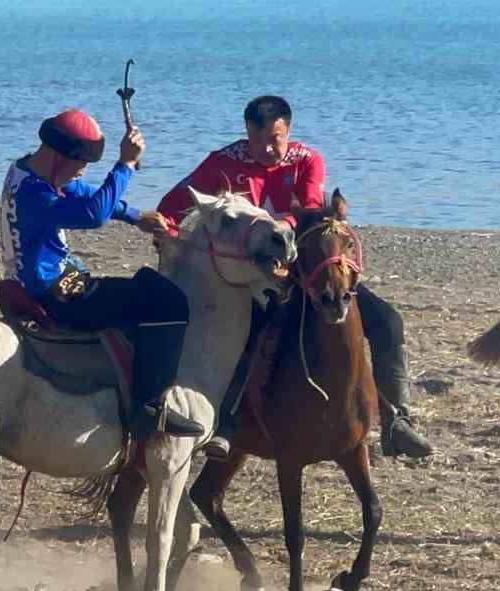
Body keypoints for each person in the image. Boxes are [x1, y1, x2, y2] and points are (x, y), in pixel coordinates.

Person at [140, 95, 436, 459]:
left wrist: (284, 225)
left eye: (275, 138)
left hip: (308, 268)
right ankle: (226, 423)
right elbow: (175, 202)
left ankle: (397, 422)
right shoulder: (223, 162)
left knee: (388, 321)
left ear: (288, 130)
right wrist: (163, 225)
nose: (266, 148)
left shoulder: (307, 160)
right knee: (249, 332)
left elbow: (311, 209)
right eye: (257, 139)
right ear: (247, 132)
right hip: (253, 273)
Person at [0, 107, 202, 437]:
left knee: (143, 286)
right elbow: (94, 214)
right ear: (57, 157)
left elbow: (88, 196)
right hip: (60, 293)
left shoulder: (27, 171)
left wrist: (136, 217)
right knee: (168, 299)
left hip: (43, 282)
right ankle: (150, 409)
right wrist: (126, 164)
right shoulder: (34, 195)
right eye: (81, 164)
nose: (82, 172)